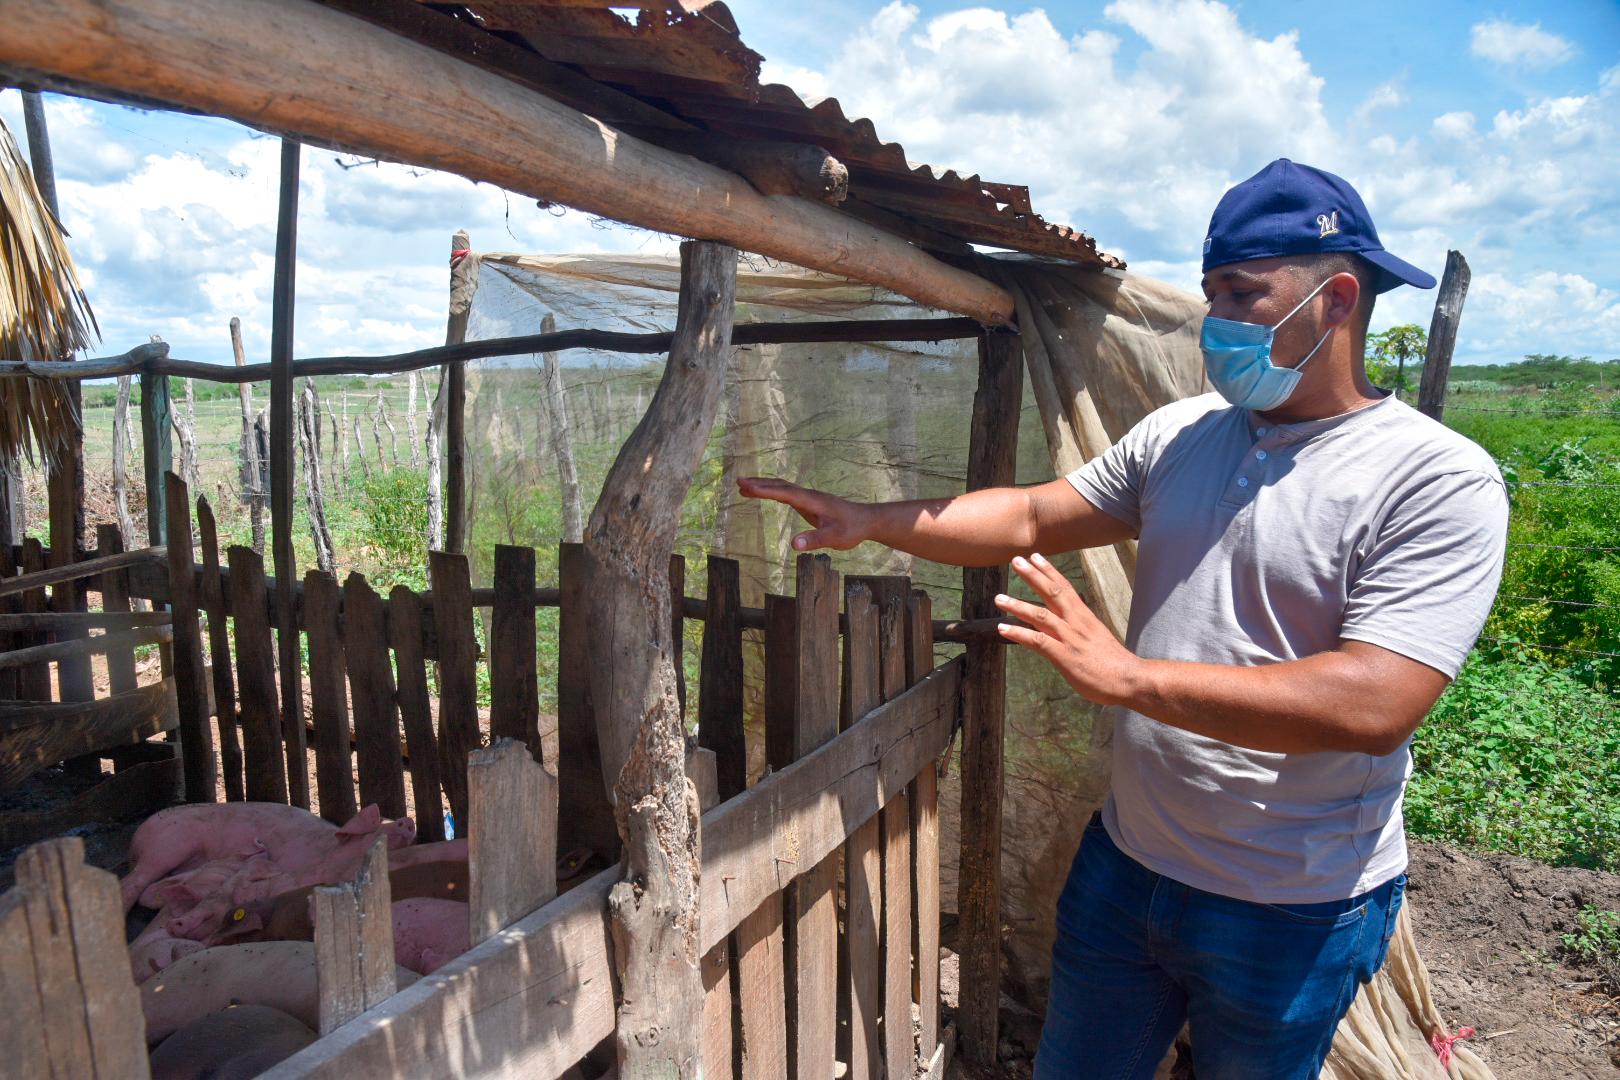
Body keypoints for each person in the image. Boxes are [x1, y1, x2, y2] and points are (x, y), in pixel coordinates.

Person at [739, 159, 1509, 1079]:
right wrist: (872, 519)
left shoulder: (1434, 479)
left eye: (1243, 293)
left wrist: (1130, 678)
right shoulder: (1183, 435)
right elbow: (1033, 516)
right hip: (1130, 864)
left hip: (1290, 903)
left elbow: (1376, 701)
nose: (1217, 320)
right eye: (1211, 293)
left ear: (1336, 299)